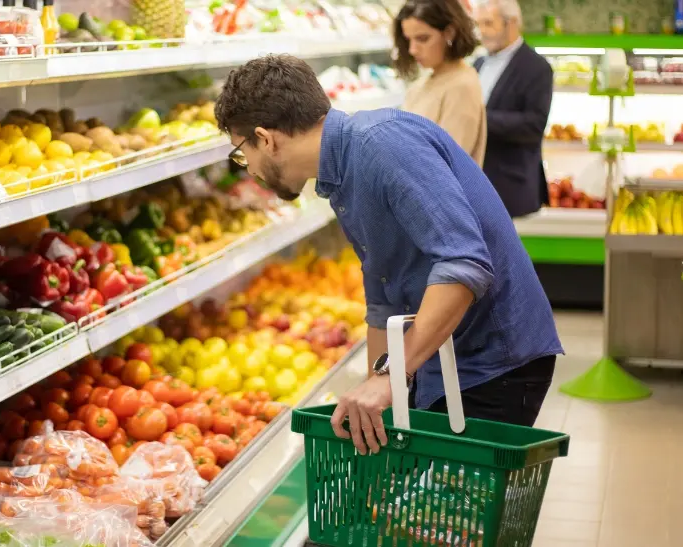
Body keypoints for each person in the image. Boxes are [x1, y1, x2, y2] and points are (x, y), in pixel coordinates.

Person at [214, 55, 562, 456]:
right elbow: (384, 301)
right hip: (443, 357)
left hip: (493, 361)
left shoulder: (382, 145)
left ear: (266, 138)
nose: (249, 168)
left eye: (242, 153)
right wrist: (374, 392)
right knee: (420, 510)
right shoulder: (340, 175)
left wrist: (391, 377)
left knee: (452, 514)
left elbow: (464, 265)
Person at [473, 0, 554, 217]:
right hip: (477, 185)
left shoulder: (537, 68)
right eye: (478, 24)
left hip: (512, 189)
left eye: (489, 23)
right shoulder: (478, 64)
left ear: (512, 24)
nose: (482, 32)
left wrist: (479, 119)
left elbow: (534, 125)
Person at [395, 0, 487, 166]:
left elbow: (446, 165)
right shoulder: (423, 84)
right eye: (408, 40)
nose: (412, 49)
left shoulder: (462, 86)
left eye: (422, 39)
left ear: (449, 33)